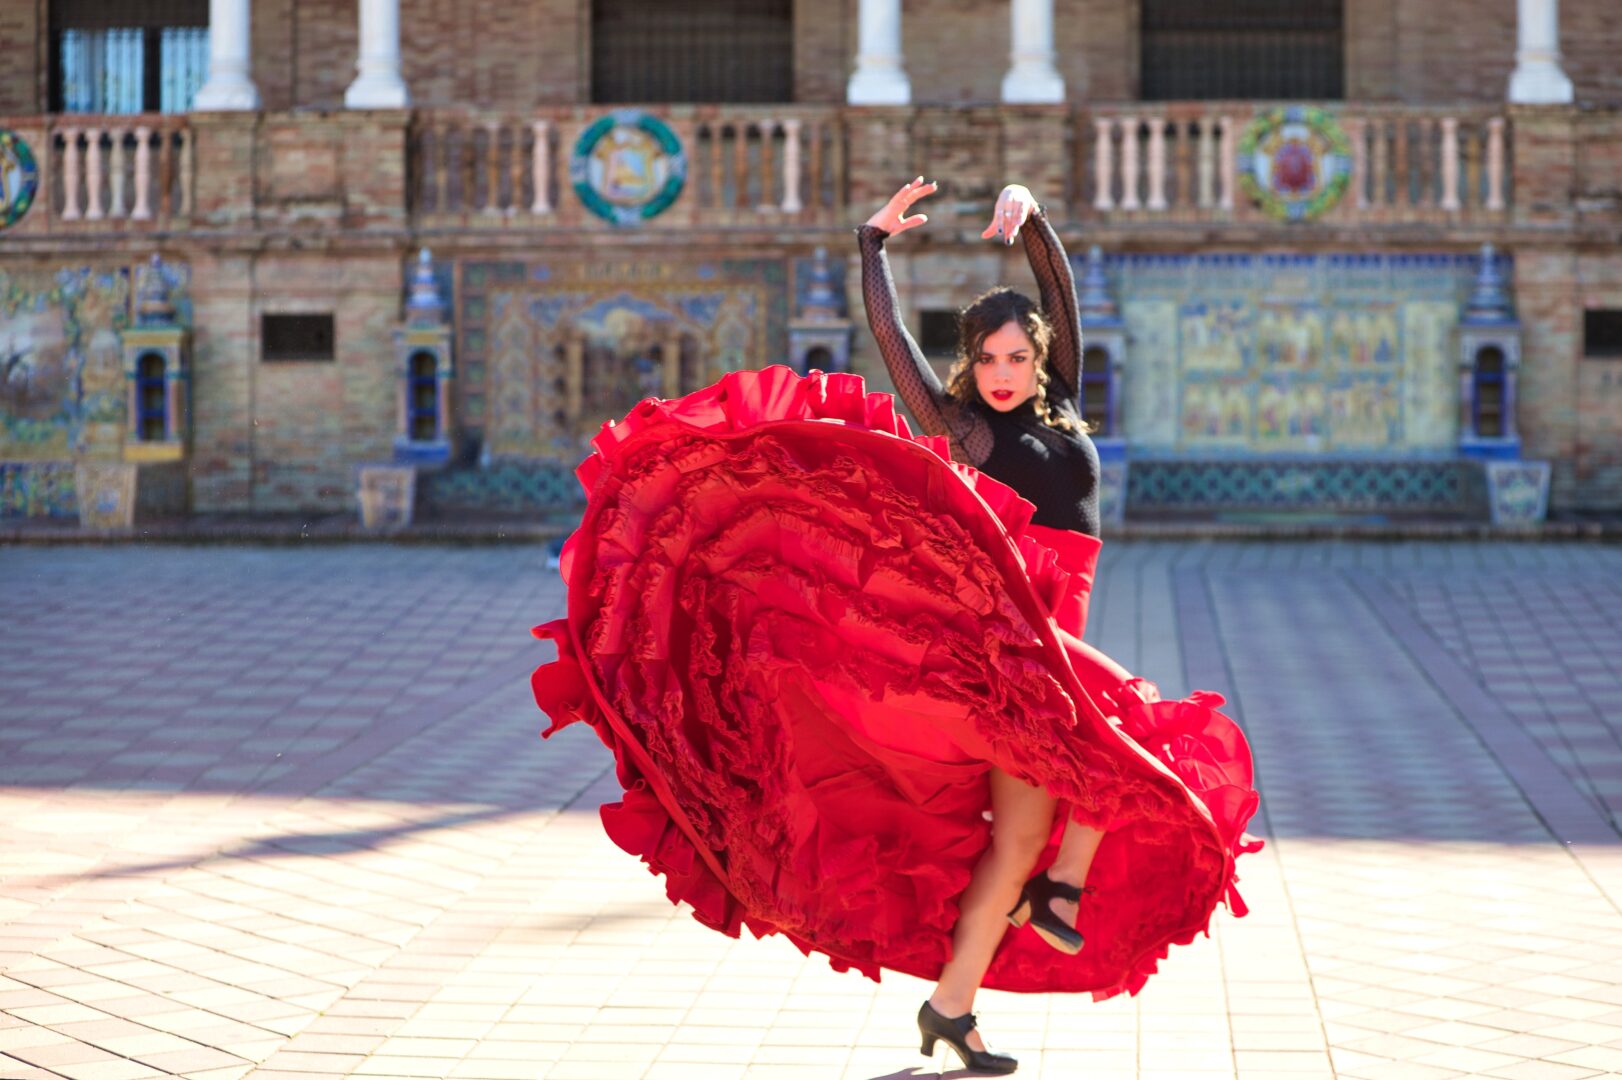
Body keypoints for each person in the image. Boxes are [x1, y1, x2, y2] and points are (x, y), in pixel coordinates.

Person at [533, 179, 1259, 1080]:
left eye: (1015, 359)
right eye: (986, 360)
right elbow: (893, 346)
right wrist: (871, 248)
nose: (1001, 373)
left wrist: (1030, 217)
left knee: (1023, 833)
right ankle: (1060, 894)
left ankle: (953, 1008)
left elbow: (1059, 296)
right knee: (1133, 735)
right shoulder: (968, 433)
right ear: (970, 368)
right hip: (1017, 652)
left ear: (1039, 364)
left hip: (1052, 652)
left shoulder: (1062, 405)